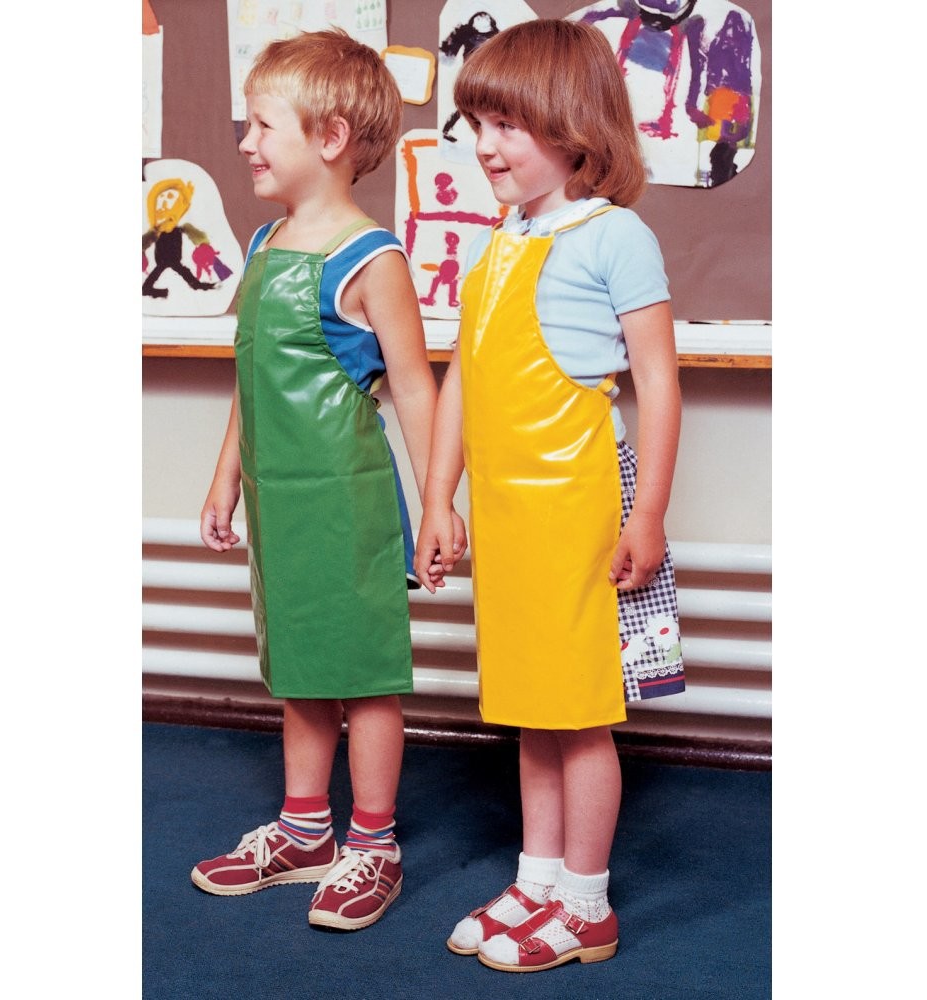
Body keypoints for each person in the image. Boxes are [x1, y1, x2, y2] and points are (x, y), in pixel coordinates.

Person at [414, 18, 686, 973]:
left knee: (579, 712)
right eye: (474, 122)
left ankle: (587, 903)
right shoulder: (500, 241)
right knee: (529, 704)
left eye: (506, 125)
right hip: (509, 519)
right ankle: (537, 881)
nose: (484, 145)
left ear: (573, 127)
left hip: (579, 513)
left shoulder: (616, 236)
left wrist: (645, 511)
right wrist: (440, 496)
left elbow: (657, 381)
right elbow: (461, 380)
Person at [192, 29, 449, 933]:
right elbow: (249, 372)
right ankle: (306, 832)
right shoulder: (264, 240)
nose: (247, 143)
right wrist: (225, 479)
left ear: (329, 138)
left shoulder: (371, 257)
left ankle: (372, 844)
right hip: (277, 498)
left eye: (263, 125)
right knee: (299, 660)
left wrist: (439, 503)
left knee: (365, 674)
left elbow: (416, 386)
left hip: (345, 500)